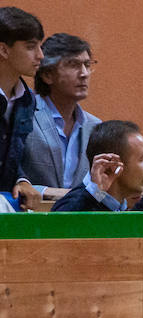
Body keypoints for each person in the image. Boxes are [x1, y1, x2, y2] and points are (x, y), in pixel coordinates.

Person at [14, 32, 98, 208]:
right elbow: (9, 176)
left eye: (87, 65)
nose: (84, 74)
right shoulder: (22, 113)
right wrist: (48, 192)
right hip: (25, 221)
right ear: (47, 75)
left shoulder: (95, 127)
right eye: (73, 65)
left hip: (77, 227)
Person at [49, 120, 143, 212]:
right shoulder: (76, 203)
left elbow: (131, 227)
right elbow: (62, 227)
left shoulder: (107, 202)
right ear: (111, 166)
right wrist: (95, 193)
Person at [0, 5, 41, 204]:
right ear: (3, 50)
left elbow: (14, 153)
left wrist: (21, 179)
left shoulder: (28, 99)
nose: (40, 55)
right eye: (31, 47)